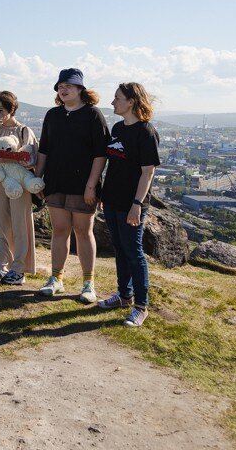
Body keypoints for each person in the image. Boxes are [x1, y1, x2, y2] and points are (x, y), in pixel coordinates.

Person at [34, 68, 109, 303]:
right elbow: (44, 149)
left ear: (80, 89)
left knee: (83, 232)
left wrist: (91, 185)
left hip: (82, 184)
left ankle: (89, 283)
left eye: (69, 85)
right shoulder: (53, 115)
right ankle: (56, 278)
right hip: (55, 181)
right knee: (59, 230)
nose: (63, 89)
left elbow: (100, 154)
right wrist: (37, 179)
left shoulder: (93, 115)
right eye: (60, 86)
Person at [97, 82, 160, 327]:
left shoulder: (146, 132)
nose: (113, 102)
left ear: (131, 101)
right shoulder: (118, 128)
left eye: (117, 98)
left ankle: (141, 306)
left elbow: (147, 173)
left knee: (134, 252)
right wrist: (104, 195)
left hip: (131, 203)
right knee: (120, 249)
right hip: (112, 199)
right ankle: (124, 295)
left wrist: (137, 204)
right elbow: (114, 165)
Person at [0, 91, 38, 285]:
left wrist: (15, 157)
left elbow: (31, 157)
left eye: (0, 110)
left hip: (19, 180)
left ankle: (18, 268)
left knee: (20, 223)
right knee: (1, 224)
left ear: (11, 109)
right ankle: (1, 265)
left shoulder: (23, 130)